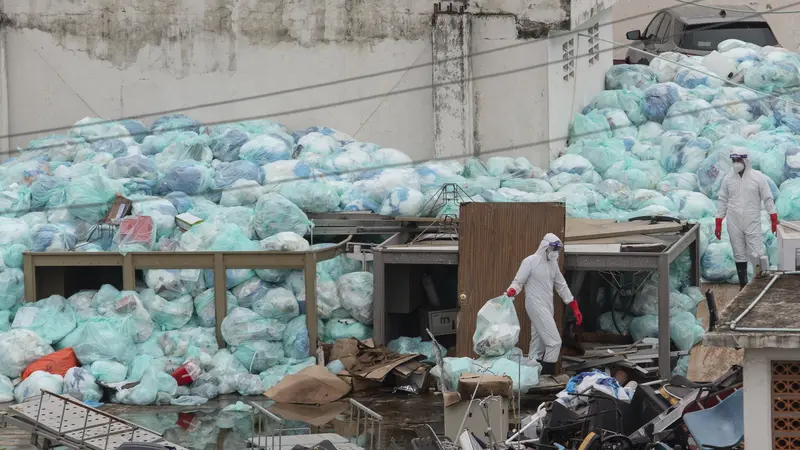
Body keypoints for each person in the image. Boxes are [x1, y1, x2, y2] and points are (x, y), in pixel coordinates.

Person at [505, 233, 582, 375]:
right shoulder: (530, 262)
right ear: (545, 247)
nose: (555, 252)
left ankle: (532, 374)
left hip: (547, 305)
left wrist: (573, 305)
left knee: (537, 344)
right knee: (554, 342)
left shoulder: (553, 265)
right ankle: (548, 375)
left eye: (557, 249)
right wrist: (512, 291)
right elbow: (518, 282)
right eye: (553, 248)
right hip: (535, 305)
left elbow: (561, 285)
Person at [715, 151, 778, 289]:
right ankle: (743, 285)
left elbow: (767, 197)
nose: (737, 163)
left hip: (752, 219)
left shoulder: (757, 177)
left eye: (739, 160)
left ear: (746, 161)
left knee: (756, 252)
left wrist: (773, 216)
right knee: (738, 253)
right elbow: (722, 199)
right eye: (734, 160)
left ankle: (759, 284)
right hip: (733, 220)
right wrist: (719, 221)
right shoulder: (728, 179)